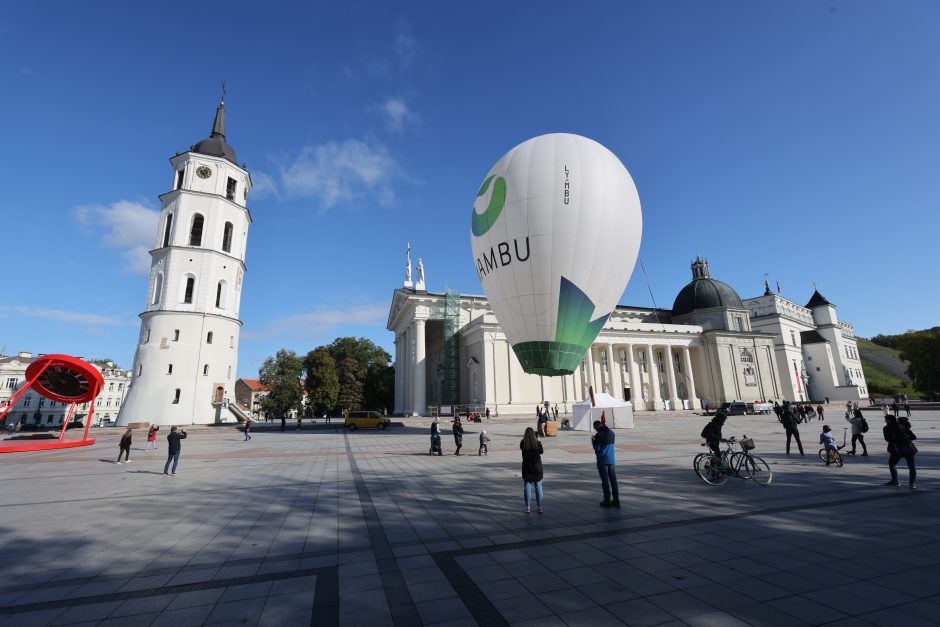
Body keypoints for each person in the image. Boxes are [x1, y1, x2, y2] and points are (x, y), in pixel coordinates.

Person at [884, 415, 917, 488]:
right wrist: (906, 441)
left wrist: (896, 442)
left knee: (892, 464)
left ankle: (895, 481)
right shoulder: (902, 426)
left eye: (886, 420)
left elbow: (887, 439)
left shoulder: (887, 428)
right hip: (908, 448)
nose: (885, 421)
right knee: (911, 467)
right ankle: (912, 484)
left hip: (896, 449)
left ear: (889, 420)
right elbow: (913, 436)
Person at [592, 419, 619, 508]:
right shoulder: (611, 433)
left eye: (594, 428)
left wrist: (593, 441)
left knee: (605, 481)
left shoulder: (598, 435)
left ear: (596, 427)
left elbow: (597, 448)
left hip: (602, 461)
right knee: (613, 481)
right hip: (611, 460)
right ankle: (616, 500)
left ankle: (607, 500)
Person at [520, 427, 544, 513]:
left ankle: (528, 507)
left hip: (527, 468)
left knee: (527, 487)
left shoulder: (523, 443)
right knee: (538, 487)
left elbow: (522, 447)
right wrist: (539, 440)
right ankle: (540, 507)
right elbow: (541, 451)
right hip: (537, 468)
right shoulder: (537, 443)